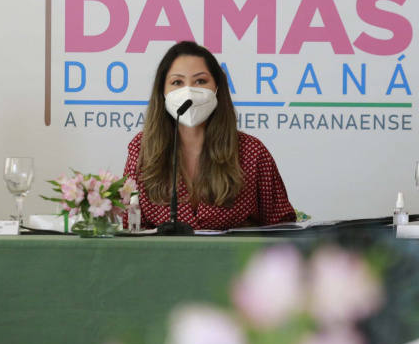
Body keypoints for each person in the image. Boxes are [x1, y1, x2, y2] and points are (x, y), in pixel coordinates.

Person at [123, 41, 296, 230]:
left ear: (217, 88)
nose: (189, 92)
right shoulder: (142, 148)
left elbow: (282, 227)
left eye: (200, 81)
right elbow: (130, 226)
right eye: (177, 82)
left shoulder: (252, 151)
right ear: (162, 91)